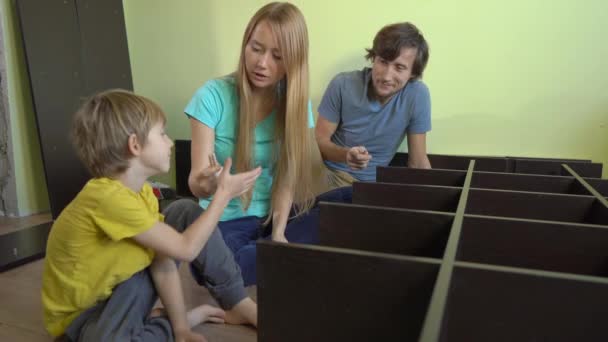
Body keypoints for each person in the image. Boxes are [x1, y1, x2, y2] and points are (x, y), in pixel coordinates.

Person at [42, 90, 260, 341]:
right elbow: (185, 249)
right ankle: (166, 324)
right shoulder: (106, 198)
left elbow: (163, 260)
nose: (169, 143)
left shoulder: (142, 193)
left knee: (185, 211)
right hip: (83, 321)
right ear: (135, 145)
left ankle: (236, 303)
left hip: (122, 293)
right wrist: (222, 196)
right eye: (162, 134)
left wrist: (183, 332)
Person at [185, 2, 351, 286]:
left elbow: (286, 180)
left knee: (354, 200)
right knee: (212, 266)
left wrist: (279, 232)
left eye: (278, 56)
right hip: (223, 223)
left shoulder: (295, 103)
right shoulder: (211, 96)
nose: (262, 63)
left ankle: (273, 253)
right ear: (245, 45)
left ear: (293, 62)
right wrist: (215, 185)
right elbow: (196, 184)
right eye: (256, 48)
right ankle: (277, 259)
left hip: (273, 217)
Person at [315, 22, 432, 187]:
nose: (386, 76)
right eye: (383, 62)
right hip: (328, 175)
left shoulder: (417, 95)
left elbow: (418, 162)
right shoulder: (342, 84)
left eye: (399, 67)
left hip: (370, 188)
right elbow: (318, 142)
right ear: (373, 58)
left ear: (412, 73)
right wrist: (346, 155)